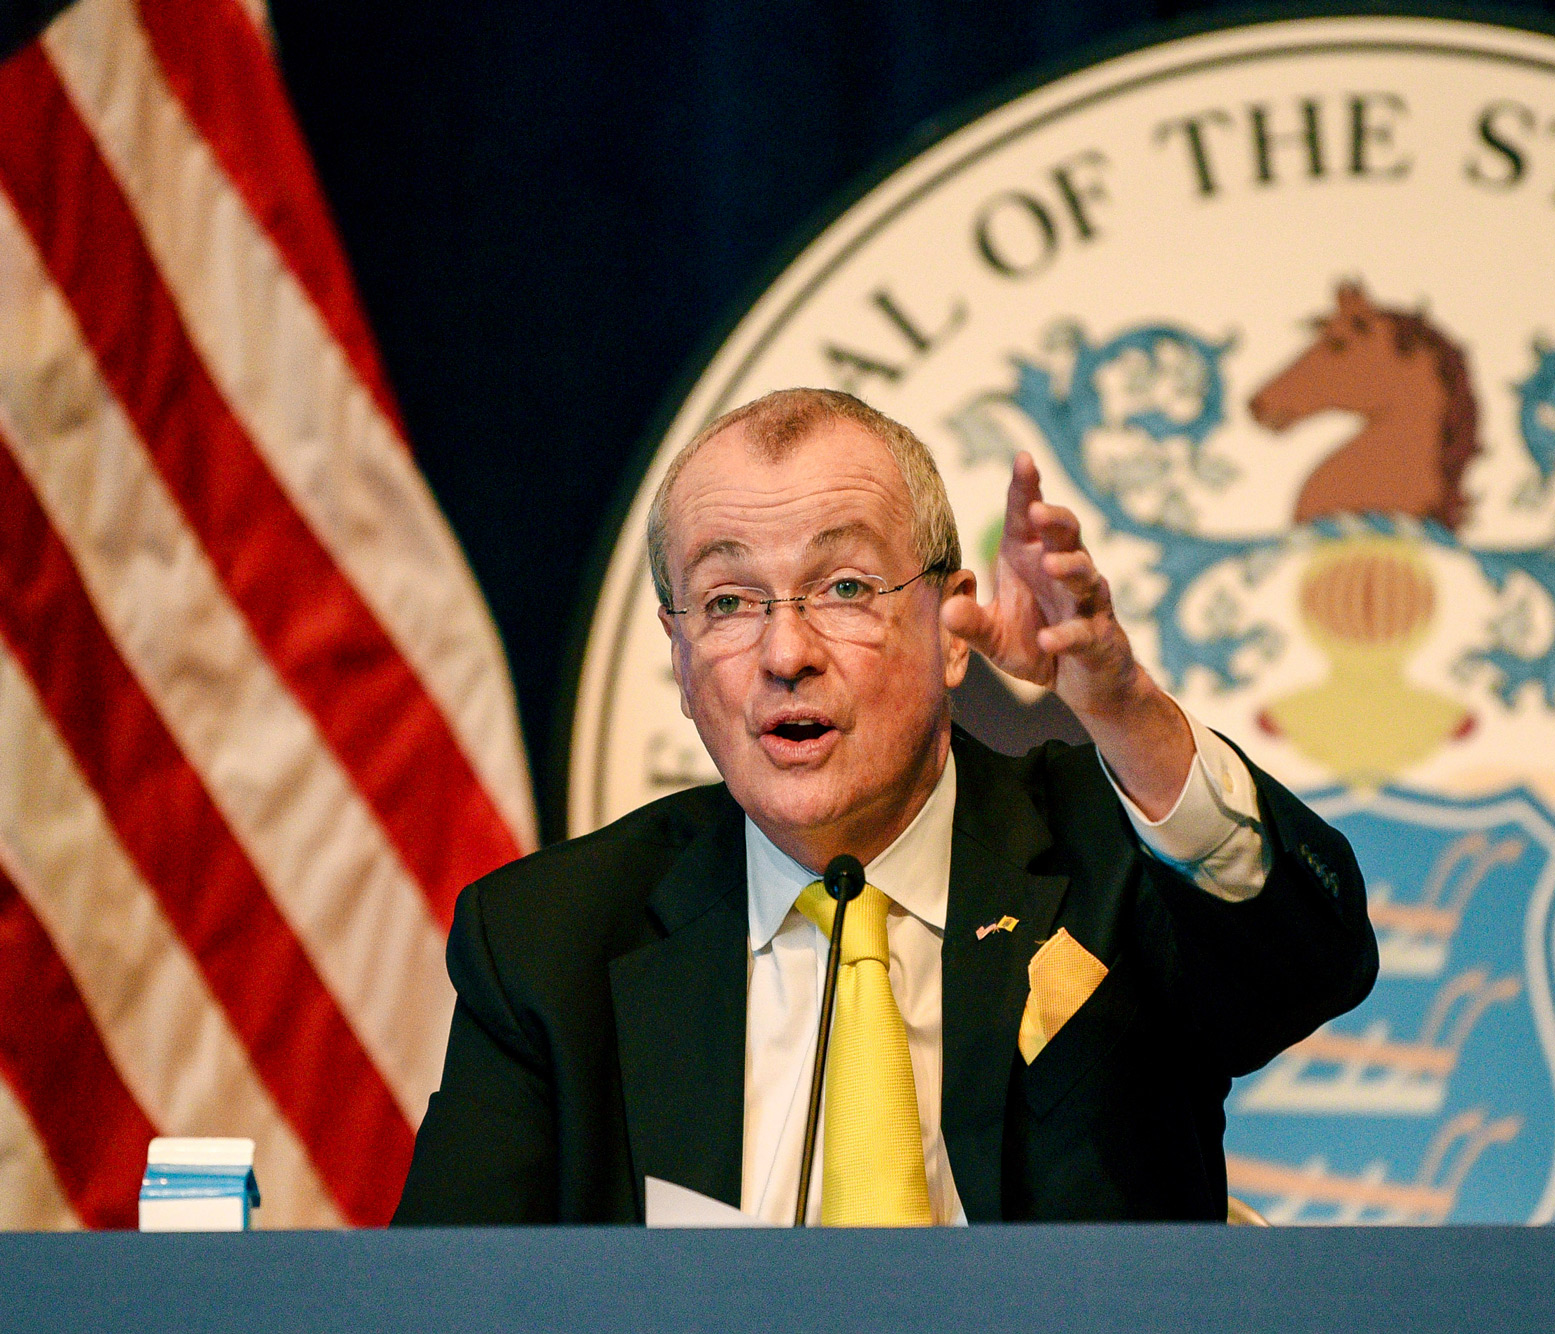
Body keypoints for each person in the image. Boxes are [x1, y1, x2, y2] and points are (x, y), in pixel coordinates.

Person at [392, 388, 1376, 1225]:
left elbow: (1311, 956)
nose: (785, 654)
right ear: (679, 653)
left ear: (950, 628)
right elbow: (441, 1307)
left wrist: (1122, 702)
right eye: (729, 601)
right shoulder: (548, 939)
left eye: (845, 585)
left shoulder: (1106, 854)